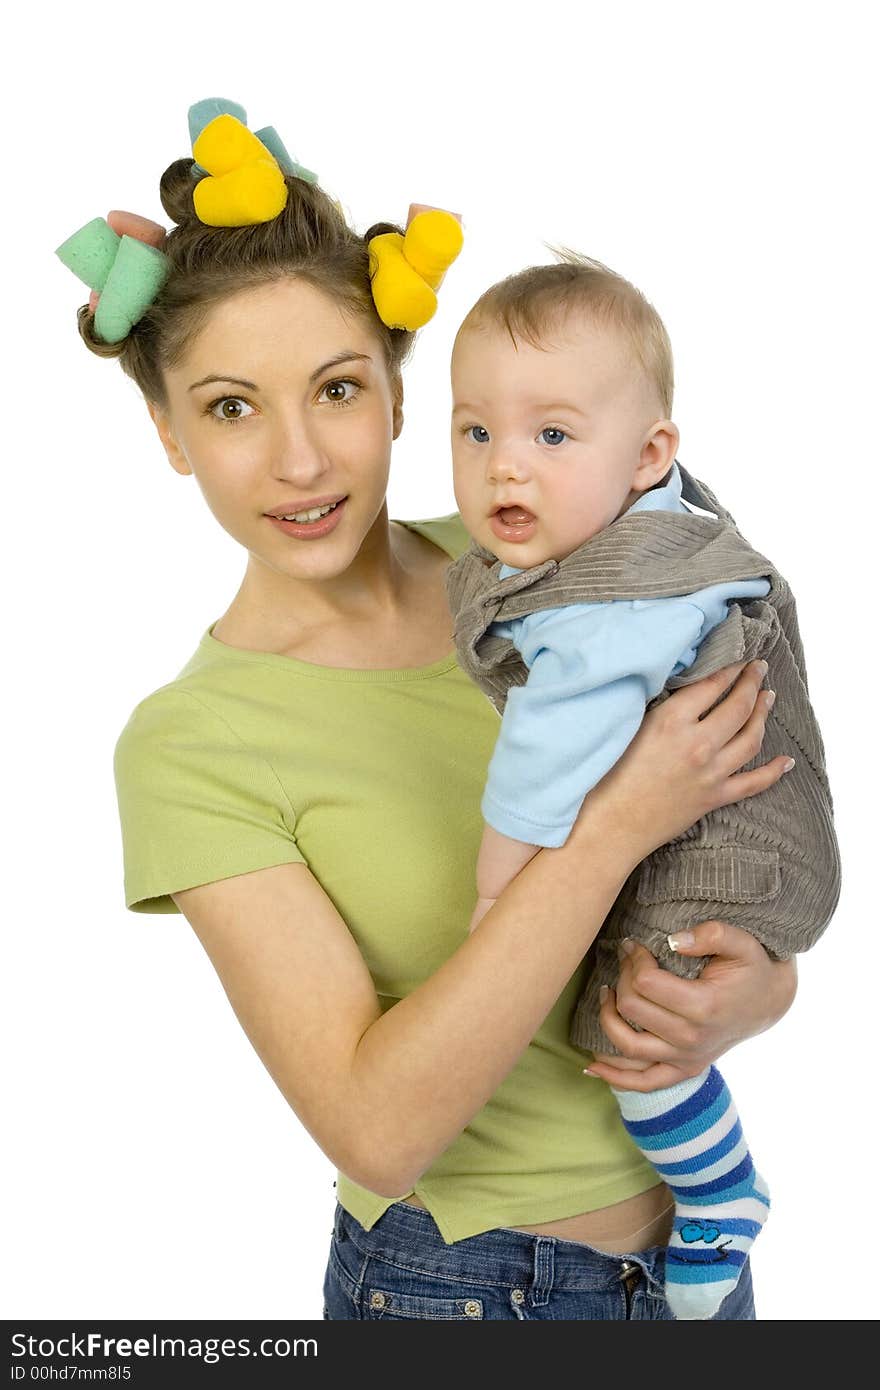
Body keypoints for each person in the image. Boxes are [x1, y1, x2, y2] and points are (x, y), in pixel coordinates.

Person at [57, 101, 797, 1321]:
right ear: (169, 432)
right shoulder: (191, 746)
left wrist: (756, 988)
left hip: (698, 1251)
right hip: (456, 1289)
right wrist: (612, 824)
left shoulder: (545, 575)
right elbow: (376, 1128)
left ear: (401, 395)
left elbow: (744, 806)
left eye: (336, 389)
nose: (300, 460)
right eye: (233, 407)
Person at [444, 254, 840, 1317]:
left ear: (647, 454)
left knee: (637, 1029)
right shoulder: (636, 519)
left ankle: (718, 1192)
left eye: (551, 436)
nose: (503, 471)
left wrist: (497, 901)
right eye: (474, 431)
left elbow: (541, 765)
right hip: (737, 816)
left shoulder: (605, 609)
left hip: (733, 846)